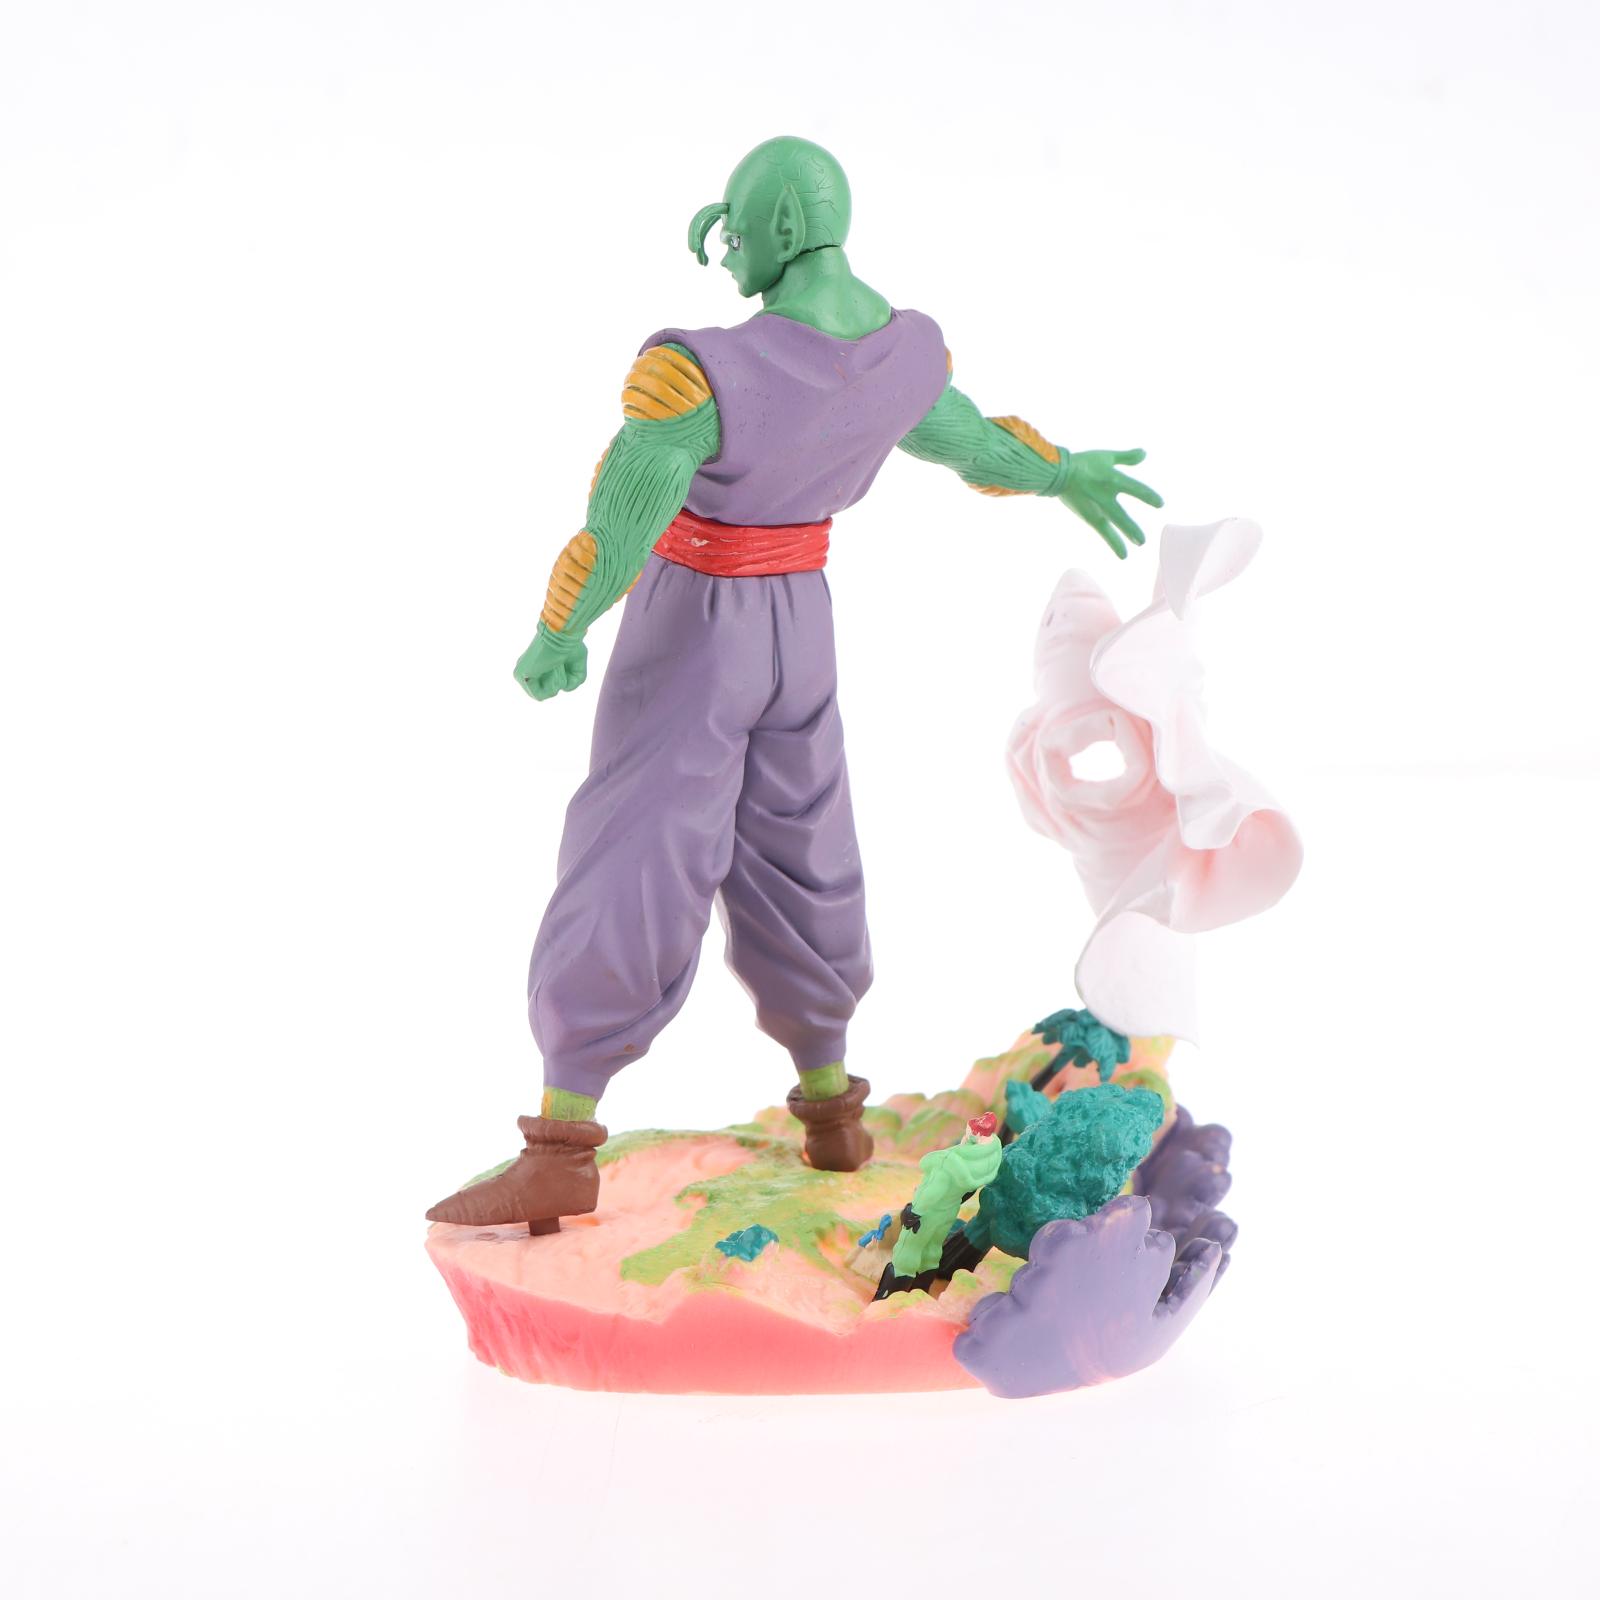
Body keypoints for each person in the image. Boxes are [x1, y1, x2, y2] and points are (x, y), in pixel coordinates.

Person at [427, 137, 1161, 1230]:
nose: (721, 250)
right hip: (800, 621)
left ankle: (562, 1144)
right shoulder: (905, 352)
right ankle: (831, 1110)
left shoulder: (698, 373)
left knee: (639, 841)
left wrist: (558, 630)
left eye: (731, 227)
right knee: (802, 836)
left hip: (694, 617)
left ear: (778, 229)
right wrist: (1064, 473)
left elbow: (619, 524)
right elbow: (976, 447)